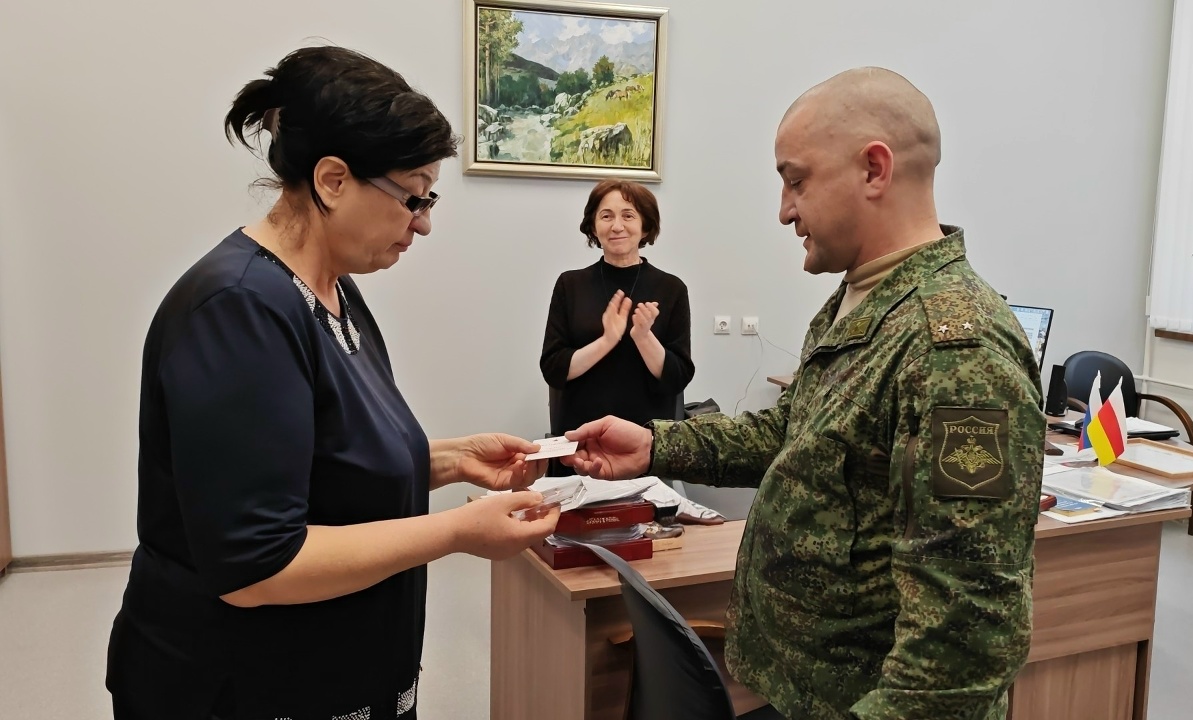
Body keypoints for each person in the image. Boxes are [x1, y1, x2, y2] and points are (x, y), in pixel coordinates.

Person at [564, 68, 1044, 720]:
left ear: (874, 170)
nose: (784, 210)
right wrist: (655, 445)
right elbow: (789, 432)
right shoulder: (859, 298)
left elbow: (967, 631)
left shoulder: (956, 350)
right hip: (813, 692)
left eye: (796, 181)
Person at [105, 46, 560, 720]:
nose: (424, 222)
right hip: (240, 687)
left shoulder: (333, 292)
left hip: (342, 670)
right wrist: (458, 532)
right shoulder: (239, 309)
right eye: (413, 196)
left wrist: (451, 458)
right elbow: (259, 565)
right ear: (333, 180)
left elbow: (322, 460)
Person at [539, 180, 694, 467]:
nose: (617, 226)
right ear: (594, 226)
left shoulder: (671, 289)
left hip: (644, 444)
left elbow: (678, 377)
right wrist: (607, 340)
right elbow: (553, 368)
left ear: (645, 227)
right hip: (581, 443)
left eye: (628, 215)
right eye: (606, 216)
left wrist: (643, 337)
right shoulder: (570, 285)